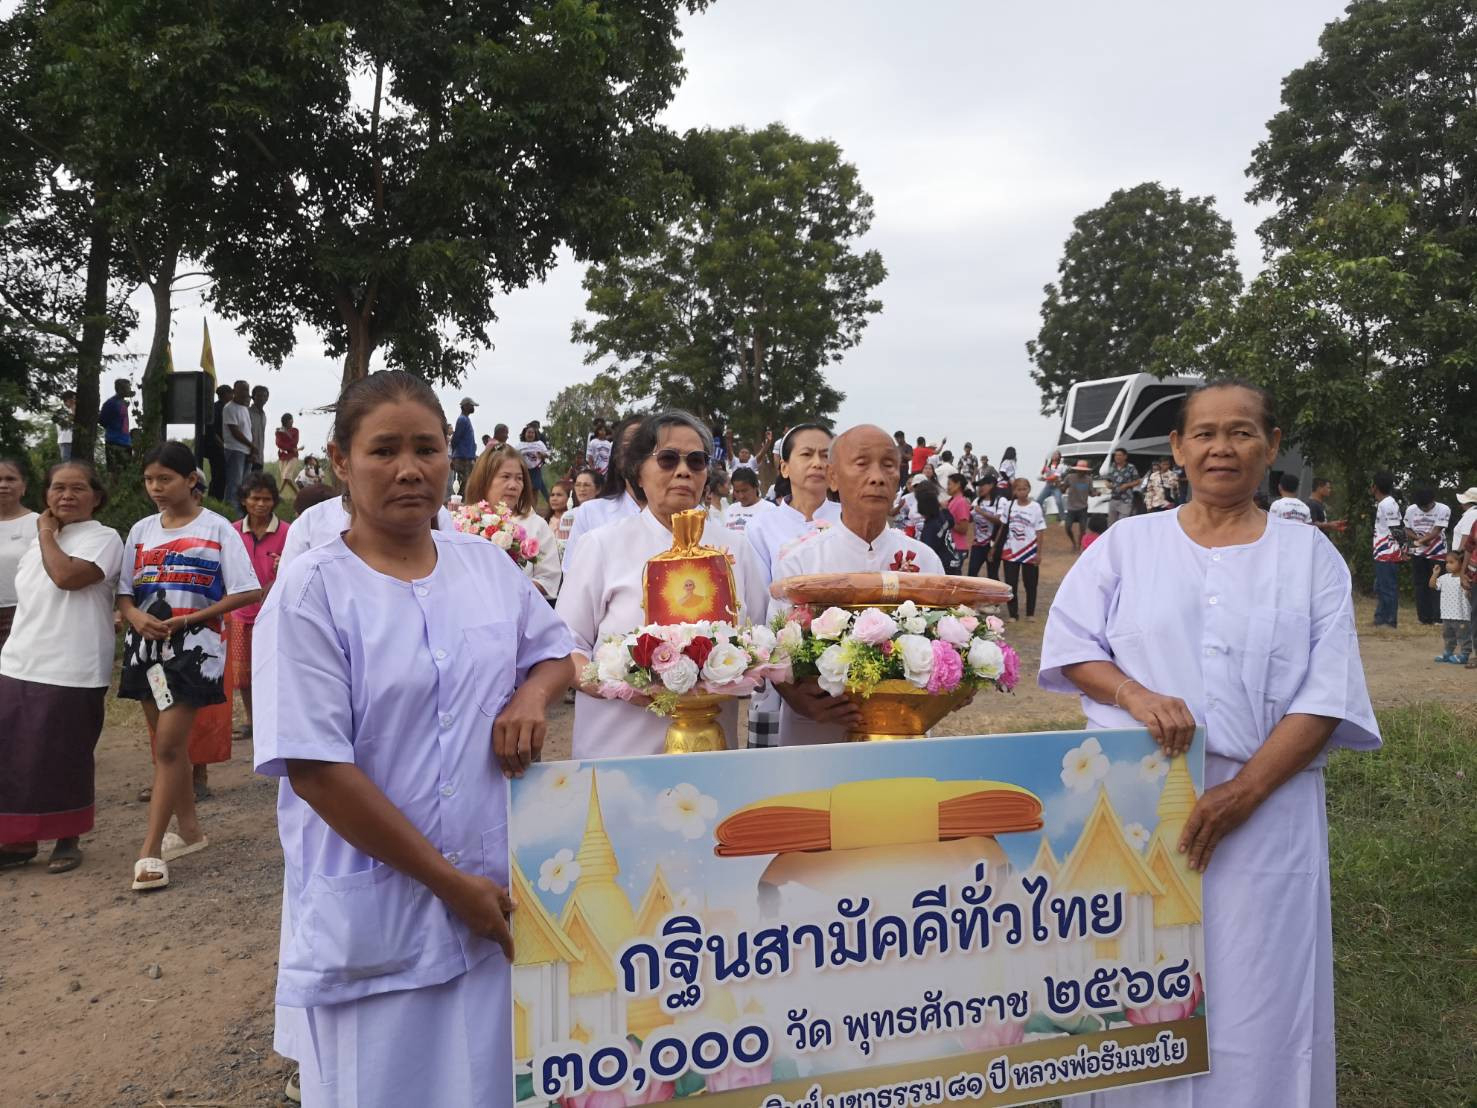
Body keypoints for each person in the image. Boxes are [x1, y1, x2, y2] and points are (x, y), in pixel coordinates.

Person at [1041, 380, 1378, 1108]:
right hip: (1136, 808)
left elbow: (1325, 694)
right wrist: (1134, 694)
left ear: (1271, 445)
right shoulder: (1127, 545)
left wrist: (1243, 792)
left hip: (1267, 810)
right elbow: (1071, 648)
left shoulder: (1310, 557)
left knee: (1260, 989)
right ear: (1176, 448)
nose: (1220, 448)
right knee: (1136, 980)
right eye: (1203, 434)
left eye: (1240, 432)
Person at [253, 369, 573, 1108]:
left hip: (494, 896)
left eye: (427, 449)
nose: (408, 469)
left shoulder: (486, 567)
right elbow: (316, 768)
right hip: (382, 918)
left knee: (498, 1085)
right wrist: (446, 883)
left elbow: (556, 652)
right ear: (339, 462)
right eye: (383, 450)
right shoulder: (311, 591)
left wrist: (531, 694)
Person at [557, 410, 767, 758]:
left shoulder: (735, 548)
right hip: (619, 751)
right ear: (637, 471)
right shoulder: (601, 546)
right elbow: (566, 648)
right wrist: (619, 685)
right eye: (668, 459)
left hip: (709, 752)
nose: (683, 471)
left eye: (696, 461)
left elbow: (760, 641)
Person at [117, 443, 261, 891]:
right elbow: (124, 592)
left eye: (166, 479)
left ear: (191, 479)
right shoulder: (140, 531)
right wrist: (137, 616)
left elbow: (247, 591)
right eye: (149, 480)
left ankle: (151, 850)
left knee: (168, 748)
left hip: (193, 655)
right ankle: (192, 832)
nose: (156, 488)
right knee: (166, 747)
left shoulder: (218, 529)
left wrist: (190, 620)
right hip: (145, 653)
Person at [769, 425, 944, 747]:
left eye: (888, 465)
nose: (877, 477)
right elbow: (775, 652)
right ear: (833, 478)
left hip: (903, 733)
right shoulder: (800, 563)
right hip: (817, 735)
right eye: (862, 463)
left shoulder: (927, 563)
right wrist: (798, 699)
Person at [0, 461, 123, 873]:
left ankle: (67, 838)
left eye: (77, 488)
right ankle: (19, 842)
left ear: (97, 497)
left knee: (66, 753)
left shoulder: (103, 538)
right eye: (57, 488)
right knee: (16, 756)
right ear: (46, 495)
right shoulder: (41, 540)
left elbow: (67, 576)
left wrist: (46, 532)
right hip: (20, 659)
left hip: (73, 663)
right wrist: (46, 535)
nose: (66, 495)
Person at [228, 474, 291, 741]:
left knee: (276, 669)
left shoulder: (288, 532)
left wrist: (284, 566)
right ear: (244, 500)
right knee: (243, 674)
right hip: (241, 613)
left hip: (275, 612)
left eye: (267, 499)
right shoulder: (231, 532)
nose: (261, 504)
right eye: (255, 498)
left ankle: (276, 721)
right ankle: (251, 720)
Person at [464, 444, 560, 600]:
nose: (513, 485)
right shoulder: (465, 522)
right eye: (505, 476)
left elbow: (548, 579)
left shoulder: (536, 525)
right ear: (484, 480)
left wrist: (510, 589)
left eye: (519, 478)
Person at [561, 417, 642, 577]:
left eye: (646, 445)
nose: (637, 453)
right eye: (628, 445)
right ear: (617, 457)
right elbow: (573, 575)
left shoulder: (689, 516)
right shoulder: (591, 512)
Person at [0, 460, 39, 649]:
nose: (3, 485)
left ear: (23, 486)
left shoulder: (39, 524)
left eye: (10, 479)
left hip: (21, 614)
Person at [1403, 484, 1450, 626]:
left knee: (1437, 584)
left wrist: (1422, 541)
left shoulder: (1443, 509)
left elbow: (1436, 531)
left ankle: (1438, 618)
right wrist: (1417, 540)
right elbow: (1406, 528)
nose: (1424, 509)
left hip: (1438, 553)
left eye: (1427, 506)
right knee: (1420, 584)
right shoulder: (1411, 510)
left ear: (1433, 500)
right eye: (1421, 507)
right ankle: (1424, 618)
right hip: (1419, 554)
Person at [1000, 477, 1046, 619]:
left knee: (1030, 583)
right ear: (1014, 491)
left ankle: (1030, 613)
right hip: (1010, 550)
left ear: (1029, 489)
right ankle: (1013, 614)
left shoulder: (1035, 507)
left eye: (1024, 489)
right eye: (1018, 489)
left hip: (1029, 550)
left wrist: (1038, 552)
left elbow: (1040, 530)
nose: (1021, 492)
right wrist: (995, 546)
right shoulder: (1009, 505)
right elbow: (1002, 526)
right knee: (1011, 583)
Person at [1371, 470, 1403, 628]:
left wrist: (1403, 550)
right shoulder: (1383, 503)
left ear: (1374, 487)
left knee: (1388, 587)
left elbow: (1396, 530)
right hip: (1381, 552)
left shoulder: (1388, 504)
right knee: (1381, 586)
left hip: (1388, 552)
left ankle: (1389, 620)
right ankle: (1380, 617)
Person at [1431, 552, 1471, 664]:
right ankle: (1448, 652)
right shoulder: (1444, 578)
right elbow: (1432, 585)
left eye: (1451, 562)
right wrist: (1435, 574)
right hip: (1446, 614)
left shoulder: (1465, 579)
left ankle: (1464, 654)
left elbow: (1469, 594)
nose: (1448, 565)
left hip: (1461, 615)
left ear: (1462, 564)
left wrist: (1468, 590)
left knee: (1463, 636)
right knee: (1448, 635)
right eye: (1447, 562)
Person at [916, 481, 964, 575]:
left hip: (942, 566)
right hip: (954, 561)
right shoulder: (942, 516)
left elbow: (927, 552)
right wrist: (945, 509)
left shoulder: (930, 527)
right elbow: (951, 522)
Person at [221, 379, 255, 509]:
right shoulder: (229, 408)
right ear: (234, 391)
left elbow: (248, 430)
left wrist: (252, 448)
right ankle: (231, 510)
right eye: (242, 389)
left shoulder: (244, 408)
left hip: (246, 450)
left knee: (245, 484)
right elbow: (235, 431)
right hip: (235, 450)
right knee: (234, 483)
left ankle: (241, 510)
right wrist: (251, 445)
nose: (245, 392)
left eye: (247, 389)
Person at [722, 467, 775, 535]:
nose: (741, 496)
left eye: (744, 491)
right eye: (737, 491)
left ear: (756, 487)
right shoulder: (731, 509)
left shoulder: (770, 509)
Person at [967, 476, 1001, 578]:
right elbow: (970, 519)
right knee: (971, 573)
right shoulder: (977, 501)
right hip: (978, 544)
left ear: (992, 485)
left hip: (993, 544)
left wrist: (981, 512)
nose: (980, 488)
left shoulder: (1000, 501)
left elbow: (999, 521)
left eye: (983, 485)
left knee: (992, 575)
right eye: (979, 486)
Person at [98, 377, 135, 471]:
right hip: (114, 442)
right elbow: (102, 420)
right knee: (115, 471)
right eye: (127, 388)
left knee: (127, 471)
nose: (129, 390)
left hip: (126, 442)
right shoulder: (110, 403)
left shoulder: (123, 403)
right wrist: (113, 427)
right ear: (120, 389)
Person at [206, 384, 234, 500]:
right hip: (217, 447)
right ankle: (215, 498)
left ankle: (219, 498)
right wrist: (222, 445)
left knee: (222, 475)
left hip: (223, 446)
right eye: (231, 393)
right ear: (226, 394)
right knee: (219, 475)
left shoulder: (224, 408)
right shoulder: (218, 409)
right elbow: (212, 430)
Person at [944, 472, 973, 572]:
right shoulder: (951, 501)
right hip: (950, 546)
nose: (947, 487)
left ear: (958, 485)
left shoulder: (961, 502)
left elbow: (964, 528)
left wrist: (947, 522)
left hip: (957, 547)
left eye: (949, 484)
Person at [449, 397, 478, 495]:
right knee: (463, 484)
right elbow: (455, 438)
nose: (473, 408)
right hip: (462, 458)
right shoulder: (462, 420)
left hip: (466, 458)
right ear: (465, 406)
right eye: (471, 406)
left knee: (466, 484)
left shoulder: (466, 419)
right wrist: (454, 456)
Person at [1063, 459, 1093, 551]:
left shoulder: (1089, 479)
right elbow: (1063, 489)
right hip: (1071, 507)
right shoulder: (1069, 477)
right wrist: (1059, 486)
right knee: (1067, 527)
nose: (1081, 472)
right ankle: (1074, 543)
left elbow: (1091, 492)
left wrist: (1096, 493)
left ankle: (1079, 546)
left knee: (1083, 529)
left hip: (1083, 507)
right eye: (1079, 470)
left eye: (1082, 470)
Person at [1104, 447, 1139, 527]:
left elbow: (1137, 481)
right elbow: (1107, 480)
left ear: (1125, 456)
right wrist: (1107, 484)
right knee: (1111, 524)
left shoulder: (1131, 467)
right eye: (1116, 455)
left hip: (1126, 500)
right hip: (1113, 499)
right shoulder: (1112, 467)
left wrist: (1127, 485)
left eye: (1119, 455)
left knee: (1122, 523)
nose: (1117, 457)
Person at [516, 424, 550, 503]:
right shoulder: (520, 445)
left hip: (536, 470)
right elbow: (513, 455)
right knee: (524, 491)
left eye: (532, 433)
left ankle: (533, 511)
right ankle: (523, 510)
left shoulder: (540, 444)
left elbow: (547, 454)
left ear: (535, 435)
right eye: (529, 432)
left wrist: (542, 455)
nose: (530, 434)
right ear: (525, 434)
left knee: (535, 491)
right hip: (524, 470)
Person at [276, 413, 302, 493]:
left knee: (286, 475)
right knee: (285, 477)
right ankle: (298, 494)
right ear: (286, 422)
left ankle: (279, 493)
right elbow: (279, 443)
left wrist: (286, 434)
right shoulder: (279, 431)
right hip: (282, 456)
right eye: (290, 421)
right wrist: (290, 448)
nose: (292, 422)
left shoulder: (295, 431)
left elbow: (294, 442)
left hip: (293, 456)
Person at [1036, 450, 1066, 517]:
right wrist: (1044, 469)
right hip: (1048, 486)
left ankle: (1063, 518)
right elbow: (1042, 473)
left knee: (1059, 502)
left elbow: (1055, 477)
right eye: (1053, 454)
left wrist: (1045, 479)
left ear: (1059, 457)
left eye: (1056, 454)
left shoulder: (1060, 466)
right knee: (1038, 501)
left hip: (1056, 487)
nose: (1054, 455)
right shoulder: (1048, 464)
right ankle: (1041, 516)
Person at [249, 385, 270, 474]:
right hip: (248, 455)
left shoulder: (264, 415)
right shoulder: (247, 412)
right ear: (253, 397)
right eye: (259, 395)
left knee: (256, 484)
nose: (262, 398)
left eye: (265, 396)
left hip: (259, 456)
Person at [55, 389, 76, 461]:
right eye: (73, 399)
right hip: (65, 441)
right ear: (67, 400)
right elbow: (66, 424)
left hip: (75, 441)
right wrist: (73, 410)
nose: (75, 401)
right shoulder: (60, 411)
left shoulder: (74, 410)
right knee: (67, 464)